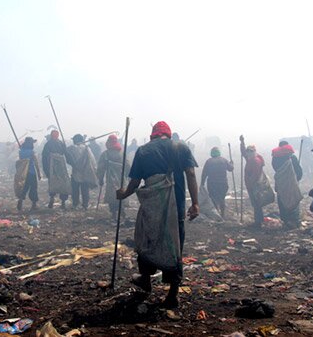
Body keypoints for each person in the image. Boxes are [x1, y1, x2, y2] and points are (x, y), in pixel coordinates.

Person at [117, 121, 199, 308]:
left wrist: (122, 194)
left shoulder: (143, 151)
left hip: (152, 206)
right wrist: (195, 203)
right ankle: (173, 294)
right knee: (174, 245)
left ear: (153, 135)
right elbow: (191, 175)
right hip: (176, 206)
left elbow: (135, 183)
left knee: (147, 239)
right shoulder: (181, 147)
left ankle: (145, 278)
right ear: (168, 135)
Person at [97, 135, 130, 220]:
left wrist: (100, 179)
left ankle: (114, 214)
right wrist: (128, 176)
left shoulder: (105, 154)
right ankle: (122, 211)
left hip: (110, 179)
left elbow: (101, 168)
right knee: (121, 193)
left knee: (112, 195)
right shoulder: (122, 154)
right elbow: (127, 166)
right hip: (121, 178)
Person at [272, 141, 303, 229]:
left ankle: (285, 221)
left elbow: (276, 169)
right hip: (291, 184)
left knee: (282, 202)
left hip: (280, 184)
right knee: (293, 201)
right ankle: (294, 221)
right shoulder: (292, 158)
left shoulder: (275, 159)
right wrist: (296, 179)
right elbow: (299, 172)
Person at [240, 135, 266, 228]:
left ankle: (258, 222)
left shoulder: (255, 161)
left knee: (257, 203)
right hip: (252, 184)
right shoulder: (250, 158)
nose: (248, 153)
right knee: (256, 203)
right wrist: (242, 142)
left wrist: (250, 183)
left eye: (251, 151)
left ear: (254, 152)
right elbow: (243, 153)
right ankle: (259, 220)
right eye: (248, 151)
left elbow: (255, 175)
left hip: (255, 185)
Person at [66, 134, 97, 210]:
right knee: (85, 190)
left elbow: (66, 153)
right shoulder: (87, 148)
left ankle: (75, 204)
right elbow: (92, 161)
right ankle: (85, 204)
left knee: (75, 190)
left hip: (76, 172)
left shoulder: (72, 148)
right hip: (85, 172)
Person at [200, 147, 233, 219]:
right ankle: (222, 214)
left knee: (213, 198)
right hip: (223, 183)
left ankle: (216, 213)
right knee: (222, 198)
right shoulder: (224, 160)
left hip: (212, 184)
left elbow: (204, 173)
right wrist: (231, 163)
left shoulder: (209, 161)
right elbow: (231, 169)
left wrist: (202, 183)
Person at [41, 130, 69, 208]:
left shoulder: (56, 144)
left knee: (56, 183)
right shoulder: (57, 144)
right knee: (61, 183)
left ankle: (56, 200)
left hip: (55, 167)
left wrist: (46, 169)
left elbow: (44, 158)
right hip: (55, 167)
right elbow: (45, 157)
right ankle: (58, 201)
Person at [17, 137, 41, 211]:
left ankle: (21, 199)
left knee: (25, 187)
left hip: (23, 173)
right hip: (31, 172)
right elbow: (36, 163)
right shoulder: (31, 152)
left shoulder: (21, 152)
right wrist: (39, 173)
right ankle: (34, 204)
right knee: (33, 188)